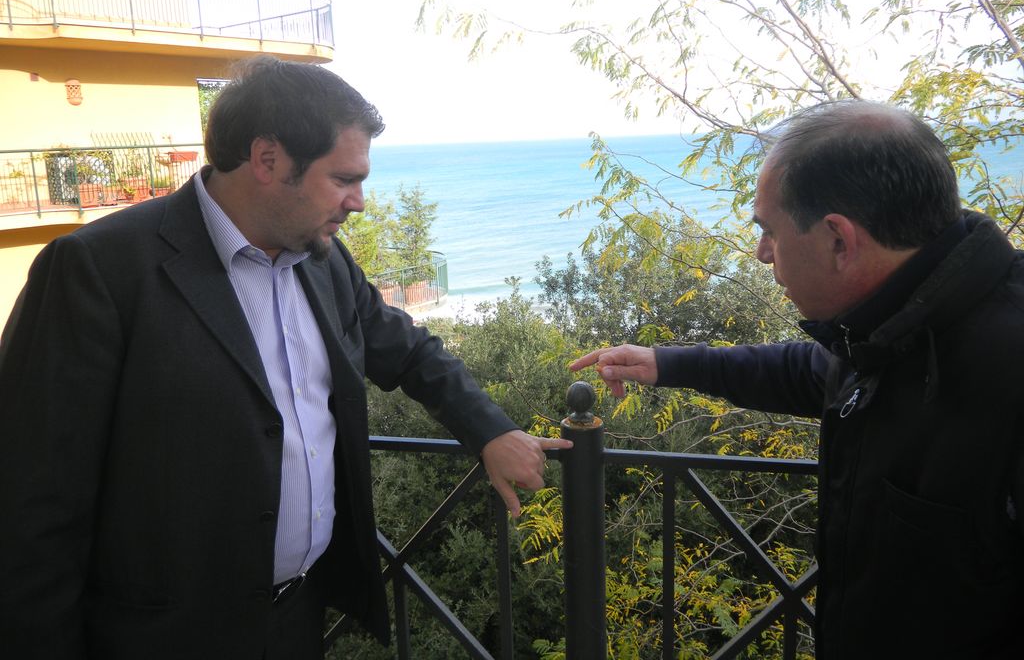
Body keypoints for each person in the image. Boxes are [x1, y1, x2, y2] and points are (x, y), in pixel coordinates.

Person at [0, 55, 571, 660]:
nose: (358, 202)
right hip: (164, 636)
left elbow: (406, 350)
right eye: (344, 179)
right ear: (268, 159)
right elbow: (32, 504)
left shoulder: (323, 261)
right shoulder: (98, 269)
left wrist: (489, 430)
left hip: (298, 617)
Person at [572, 100, 1024, 659]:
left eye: (769, 231)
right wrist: (666, 363)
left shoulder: (1002, 365)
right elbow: (807, 370)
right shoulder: (892, 327)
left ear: (839, 240)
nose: (762, 254)